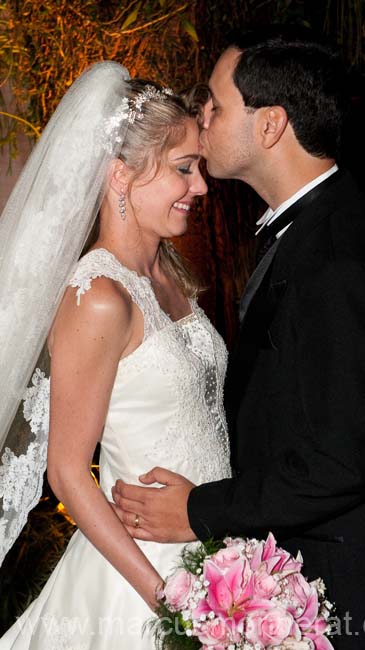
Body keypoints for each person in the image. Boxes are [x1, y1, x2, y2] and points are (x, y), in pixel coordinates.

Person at [112, 26, 365, 649]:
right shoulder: (318, 232)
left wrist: (200, 512)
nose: (201, 118)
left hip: (360, 604)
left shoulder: (338, 256)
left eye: (216, 105)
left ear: (270, 126)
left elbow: (341, 461)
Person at [0, 61, 231, 648]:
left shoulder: (172, 275)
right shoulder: (99, 296)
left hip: (216, 554)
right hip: (141, 582)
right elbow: (68, 472)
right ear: (121, 175)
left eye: (199, 167)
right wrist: (170, 603)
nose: (201, 186)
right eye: (184, 168)